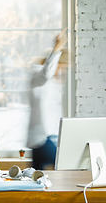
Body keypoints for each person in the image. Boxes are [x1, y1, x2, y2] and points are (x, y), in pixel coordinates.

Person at [27, 29, 68, 170]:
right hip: (42, 139)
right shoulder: (37, 78)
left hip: (48, 138)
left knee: (39, 178)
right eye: (60, 67)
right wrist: (56, 49)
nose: (61, 72)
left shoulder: (53, 84)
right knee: (66, 164)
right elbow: (46, 74)